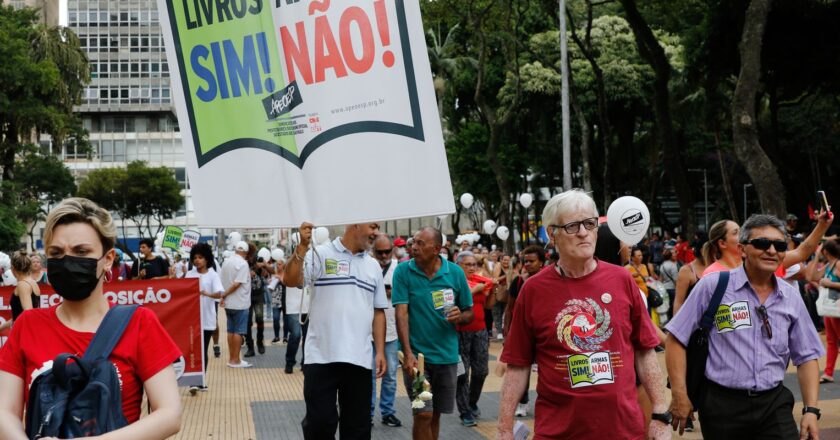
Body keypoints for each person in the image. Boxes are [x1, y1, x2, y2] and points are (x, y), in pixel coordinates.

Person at [0, 197, 182, 439]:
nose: (67, 261)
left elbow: (170, 414)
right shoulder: (28, 325)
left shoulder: (139, 323)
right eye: (56, 252)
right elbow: (5, 411)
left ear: (107, 260)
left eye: (81, 251)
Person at [498, 189, 668, 440]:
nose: (583, 232)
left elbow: (645, 350)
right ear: (552, 235)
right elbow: (518, 366)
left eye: (589, 223)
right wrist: (504, 427)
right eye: (572, 226)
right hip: (559, 432)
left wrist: (660, 412)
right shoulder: (533, 290)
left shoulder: (622, 280)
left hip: (622, 430)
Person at [666, 214, 825, 439]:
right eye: (761, 243)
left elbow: (806, 355)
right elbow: (676, 338)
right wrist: (680, 394)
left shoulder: (790, 296)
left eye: (779, 245)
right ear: (742, 249)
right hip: (722, 407)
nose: (771, 250)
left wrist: (811, 409)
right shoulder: (713, 286)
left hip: (774, 405)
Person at [284, 222, 388, 440]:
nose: (376, 233)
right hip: (321, 356)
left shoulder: (373, 266)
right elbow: (291, 280)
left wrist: (379, 352)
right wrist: (302, 247)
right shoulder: (320, 254)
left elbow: (379, 312)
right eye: (373, 226)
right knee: (320, 424)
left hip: (359, 359)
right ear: (356, 225)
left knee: (358, 429)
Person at [392, 226, 473, 440]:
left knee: (435, 414)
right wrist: (407, 354)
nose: (414, 247)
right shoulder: (403, 271)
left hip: (447, 357)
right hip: (417, 359)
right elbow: (401, 313)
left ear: (437, 248)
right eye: (413, 242)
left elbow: (469, 313)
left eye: (420, 243)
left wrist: (460, 316)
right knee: (422, 413)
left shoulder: (454, 273)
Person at [703, 210, 833, 277]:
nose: (771, 251)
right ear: (722, 243)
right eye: (736, 232)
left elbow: (801, 252)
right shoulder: (712, 275)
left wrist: (822, 225)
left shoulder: (761, 261)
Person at [502, 244, 545, 418]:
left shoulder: (551, 280)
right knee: (522, 368)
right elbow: (509, 308)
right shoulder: (518, 281)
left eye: (531, 261)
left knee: (545, 369)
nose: (527, 264)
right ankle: (523, 401)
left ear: (541, 262)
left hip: (543, 334)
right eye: (525, 261)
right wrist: (507, 333)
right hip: (524, 334)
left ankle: (546, 399)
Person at [454, 251, 493, 427]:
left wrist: (492, 292)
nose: (472, 268)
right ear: (459, 266)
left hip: (480, 330)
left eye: (474, 264)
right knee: (463, 373)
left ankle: (472, 401)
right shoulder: (454, 282)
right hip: (460, 332)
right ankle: (464, 411)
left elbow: (489, 305)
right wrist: (474, 290)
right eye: (467, 264)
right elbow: (456, 304)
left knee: (481, 371)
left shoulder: (479, 281)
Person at [370, 234, 402, 428]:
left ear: (393, 249)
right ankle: (368, 413)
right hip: (367, 333)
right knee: (369, 376)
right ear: (373, 251)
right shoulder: (366, 265)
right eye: (379, 252)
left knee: (390, 375)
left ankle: (388, 412)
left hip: (391, 332)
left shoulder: (399, 268)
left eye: (387, 251)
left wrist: (391, 292)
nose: (383, 255)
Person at [185, 242, 223, 393]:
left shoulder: (213, 275)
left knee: (203, 350)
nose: (197, 260)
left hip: (207, 319)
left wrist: (205, 294)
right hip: (191, 320)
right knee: (193, 350)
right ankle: (193, 382)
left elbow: (219, 293)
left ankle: (201, 380)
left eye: (200, 257)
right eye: (195, 257)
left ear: (207, 259)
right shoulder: (189, 274)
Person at [220, 241, 252, 368]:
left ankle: (231, 358)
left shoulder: (226, 261)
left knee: (231, 331)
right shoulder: (243, 264)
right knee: (238, 332)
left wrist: (224, 296)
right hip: (240, 303)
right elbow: (237, 284)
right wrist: (224, 294)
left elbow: (223, 280)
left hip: (229, 303)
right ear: (245, 252)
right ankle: (235, 360)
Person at [816, 239, 840, 384]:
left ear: (826, 251)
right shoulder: (829, 265)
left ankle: (828, 372)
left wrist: (829, 283)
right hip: (829, 308)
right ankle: (828, 373)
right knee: (831, 341)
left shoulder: (838, 264)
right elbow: (811, 276)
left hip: (836, 308)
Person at [244, 255, 268, 358]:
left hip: (258, 297)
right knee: (247, 322)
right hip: (247, 297)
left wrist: (262, 266)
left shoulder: (258, 263)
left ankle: (260, 341)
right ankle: (250, 346)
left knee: (259, 319)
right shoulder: (243, 264)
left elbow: (266, 274)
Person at [269, 259, 286, 344]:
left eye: (279, 264)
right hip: (275, 300)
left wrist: (280, 278)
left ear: (283, 265)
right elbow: (270, 290)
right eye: (277, 264)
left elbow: (286, 283)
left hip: (285, 300)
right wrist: (271, 283)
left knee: (286, 320)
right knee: (276, 319)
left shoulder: (286, 275)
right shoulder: (273, 275)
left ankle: (285, 337)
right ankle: (276, 336)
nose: (278, 266)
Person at [659, 249, 679, 320]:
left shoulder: (662, 265)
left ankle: (666, 319)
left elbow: (661, 279)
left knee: (666, 305)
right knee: (672, 305)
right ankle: (672, 319)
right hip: (672, 288)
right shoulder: (673, 265)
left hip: (665, 288)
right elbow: (676, 279)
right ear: (670, 256)